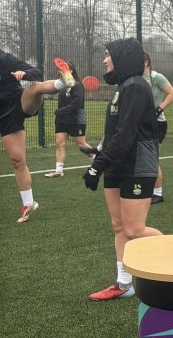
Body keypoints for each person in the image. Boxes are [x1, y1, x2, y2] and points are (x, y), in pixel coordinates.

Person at [82, 38, 162, 300]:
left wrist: (97, 166)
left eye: (108, 55)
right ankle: (124, 284)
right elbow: (115, 133)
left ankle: (172, 266)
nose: (105, 60)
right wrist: (100, 154)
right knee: (119, 227)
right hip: (118, 164)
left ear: (123, 58)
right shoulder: (122, 87)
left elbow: (127, 134)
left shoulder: (137, 87)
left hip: (137, 165)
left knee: (134, 230)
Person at [1, 49, 75, 223]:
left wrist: (23, 73)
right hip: (3, 118)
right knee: (17, 160)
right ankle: (30, 203)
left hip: (17, 104)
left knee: (35, 88)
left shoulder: (5, 59)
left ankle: (63, 82)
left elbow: (36, 72)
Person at [44, 60, 93, 177]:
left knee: (81, 143)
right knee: (60, 143)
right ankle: (59, 171)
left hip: (76, 119)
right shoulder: (61, 85)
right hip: (62, 119)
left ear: (70, 71)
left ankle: (98, 161)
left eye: (62, 69)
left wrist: (61, 111)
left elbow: (76, 104)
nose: (59, 71)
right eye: (59, 69)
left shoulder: (77, 85)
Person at [143, 52, 173, 204]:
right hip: (143, 123)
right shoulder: (136, 79)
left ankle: (158, 193)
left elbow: (172, 94)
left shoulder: (156, 77)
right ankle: (147, 189)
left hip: (157, 123)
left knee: (152, 158)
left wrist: (158, 110)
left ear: (146, 62)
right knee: (143, 158)